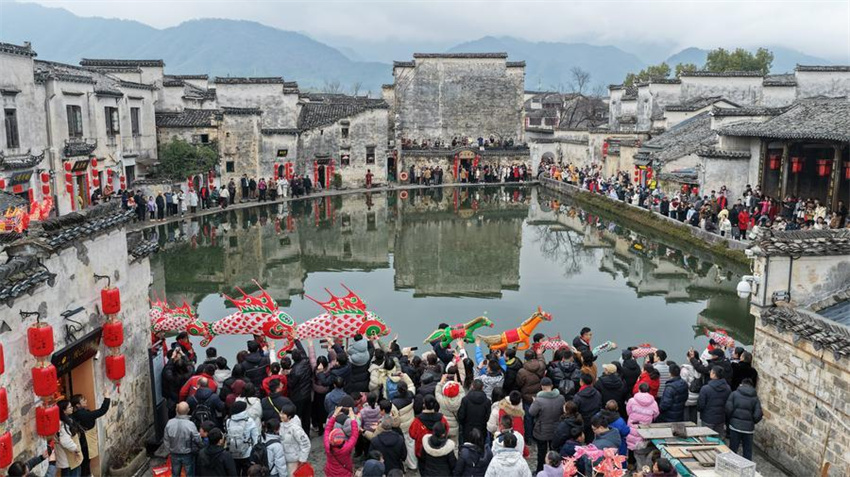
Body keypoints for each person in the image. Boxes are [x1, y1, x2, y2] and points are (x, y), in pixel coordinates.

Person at [70, 389, 111, 477]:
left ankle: (87, 474)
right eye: (83, 400)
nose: (86, 401)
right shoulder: (82, 414)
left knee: (85, 461)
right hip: (85, 441)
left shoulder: (76, 414)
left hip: (83, 440)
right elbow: (102, 410)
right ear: (77, 405)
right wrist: (107, 397)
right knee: (85, 462)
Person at [528, 377, 565, 473]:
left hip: (542, 430)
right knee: (555, 451)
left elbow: (531, 412)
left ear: (542, 387)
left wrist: (534, 402)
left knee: (541, 453)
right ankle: (556, 471)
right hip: (556, 429)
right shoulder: (561, 398)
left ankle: (540, 471)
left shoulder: (539, 400)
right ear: (551, 386)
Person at [726, 378, 763, 460]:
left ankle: (731, 464)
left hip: (735, 426)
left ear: (741, 384)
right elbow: (758, 415)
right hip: (748, 429)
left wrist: (731, 419)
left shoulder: (734, 394)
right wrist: (752, 422)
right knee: (747, 451)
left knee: (733, 449)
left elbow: (728, 409)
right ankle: (747, 465)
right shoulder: (755, 398)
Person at [163, 402, 202, 477]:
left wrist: (169, 451)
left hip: (174, 453)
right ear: (188, 410)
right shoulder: (190, 425)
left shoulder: (169, 423)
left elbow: (166, 439)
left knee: (175, 474)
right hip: (187, 454)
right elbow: (197, 439)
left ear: (176, 410)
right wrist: (201, 446)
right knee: (189, 474)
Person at [626, 383, 659, 470]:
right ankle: (643, 464)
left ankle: (631, 463)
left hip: (633, 424)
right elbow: (656, 414)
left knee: (631, 443)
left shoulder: (632, 400)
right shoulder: (654, 403)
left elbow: (628, 411)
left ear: (639, 390)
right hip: (645, 426)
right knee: (643, 443)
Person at [409, 395, 449, 459]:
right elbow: (446, 430)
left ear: (424, 405)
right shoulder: (441, 418)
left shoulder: (418, 420)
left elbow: (412, 434)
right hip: (439, 448)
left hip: (422, 450)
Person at [324, 406, 360, 477]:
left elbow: (327, 429)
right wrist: (353, 419)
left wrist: (334, 415)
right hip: (344, 473)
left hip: (330, 471)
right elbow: (355, 434)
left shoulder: (327, 445)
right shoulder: (347, 447)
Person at [225, 401, 259, 476]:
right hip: (247, 452)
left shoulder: (228, 421)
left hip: (233, 452)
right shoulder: (249, 421)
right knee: (247, 473)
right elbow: (255, 437)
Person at [279, 402, 311, 476]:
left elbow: (306, 444)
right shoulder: (280, 425)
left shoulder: (296, 429)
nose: (281, 415)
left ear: (289, 416)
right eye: (280, 413)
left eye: (283, 414)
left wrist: (302, 459)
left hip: (294, 460)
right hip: (283, 459)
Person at [698, 366, 732, 436]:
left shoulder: (705, 389)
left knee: (706, 438)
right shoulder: (728, 388)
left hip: (708, 418)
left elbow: (701, 405)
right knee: (718, 438)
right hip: (721, 418)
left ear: (714, 374)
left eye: (711, 372)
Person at [288, 347, 314, 434]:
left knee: (297, 417)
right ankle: (307, 433)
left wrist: (287, 375)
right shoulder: (307, 362)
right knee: (306, 416)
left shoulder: (294, 371)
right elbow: (303, 351)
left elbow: (291, 384)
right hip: (307, 394)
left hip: (298, 396)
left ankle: (298, 434)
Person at [56, 400, 84, 477]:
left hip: (66, 459)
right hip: (69, 458)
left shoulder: (64, 420)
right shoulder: (62, 424)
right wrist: (76, 449)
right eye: (69, 407)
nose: (72, 408)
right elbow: (65, 441)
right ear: (63, 411)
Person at [458, 379, 491, 443]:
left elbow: (461, 416)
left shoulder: (465, 400)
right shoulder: (487, 401)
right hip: (481, 429)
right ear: (482, 388)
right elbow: (488, 417)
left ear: (472, 386)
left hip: (467, 429)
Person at [572, 373, 601, 443]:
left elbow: (574, 410)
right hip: (593, 421)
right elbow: (599, 406)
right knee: (590, 442)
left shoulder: (578, 396)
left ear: (581, 382)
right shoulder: (597, 393)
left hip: (582, 422)